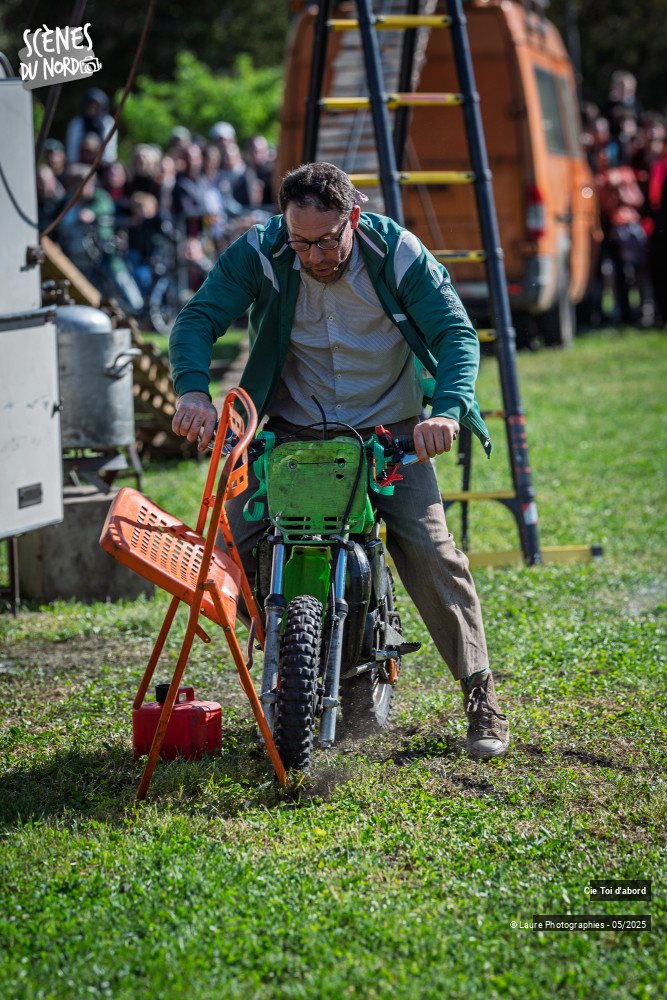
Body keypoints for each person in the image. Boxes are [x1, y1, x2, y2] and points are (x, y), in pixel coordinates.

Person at [169, 161, 509, 760]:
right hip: (294, 430)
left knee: (431, 549)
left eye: (326, 241)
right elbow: (199, 318)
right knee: (237, 543)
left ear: (352, 217)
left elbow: (455, 333)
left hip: (392, 430)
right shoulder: (262, 249)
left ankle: (480, 694)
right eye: (301, 243)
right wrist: (193, 390)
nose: (314, 256)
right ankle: (296, 656)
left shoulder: (396, 251)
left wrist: (447, 411)